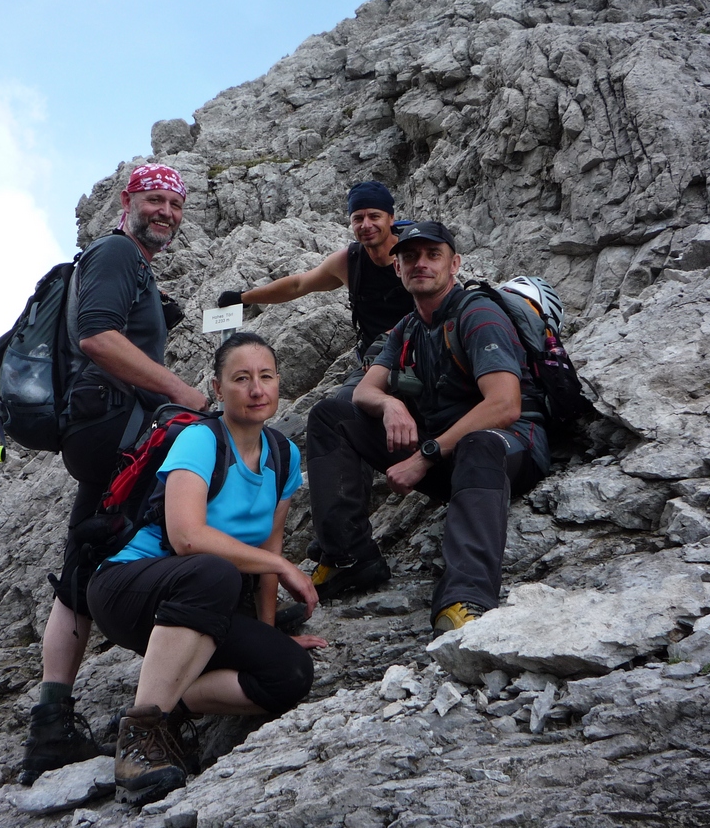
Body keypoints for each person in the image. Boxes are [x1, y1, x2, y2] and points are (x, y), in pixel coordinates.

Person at [19, 164, 209, 785]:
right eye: (154, 199)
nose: (166, 212)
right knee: (200, 480)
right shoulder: (116, 253)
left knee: (83, 557)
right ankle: (210, 645)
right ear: (127, 202)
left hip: (99, 428)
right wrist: (181, 392)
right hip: (114, 426)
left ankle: (50, 726)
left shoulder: (130, 265)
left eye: (175, 205)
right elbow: (98, 337)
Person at [87, 332, 327, 805]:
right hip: (128, 588)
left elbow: (269, 543)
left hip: (202, 604)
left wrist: (267, 632)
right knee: (214, 570)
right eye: (241, 379)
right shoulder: (200, 439)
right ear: (218, 389)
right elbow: (187, 538)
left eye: (266, 377)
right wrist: (279, 564)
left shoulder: (283, 456)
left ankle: (170, 703)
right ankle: (140, 738)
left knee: (289, 673)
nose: (256, 390)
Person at [304, 222, 551, 631]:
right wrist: (389, 404)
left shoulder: (478, 315)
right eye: (410, 257)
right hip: (445, 458)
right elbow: (364, 390)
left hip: (507, 452)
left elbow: (505, 405)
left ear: (454, 265)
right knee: (332, 415)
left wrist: (424, 457)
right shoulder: (408, 326)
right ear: (397, 268)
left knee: (478, 443)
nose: (421, 264)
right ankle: (348, 557)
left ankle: (467, 598)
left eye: (433, 255)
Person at [217, 181, 414, 397]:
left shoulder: (416, 255)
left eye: (374, 216)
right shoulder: (349, 262)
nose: (366, 225)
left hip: (420, 352)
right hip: (374, 364)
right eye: (358, 218)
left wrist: (388, 339)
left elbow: (435, 310)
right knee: (340, 407)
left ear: (391, 218)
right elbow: (297, 285)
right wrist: (243, 298)